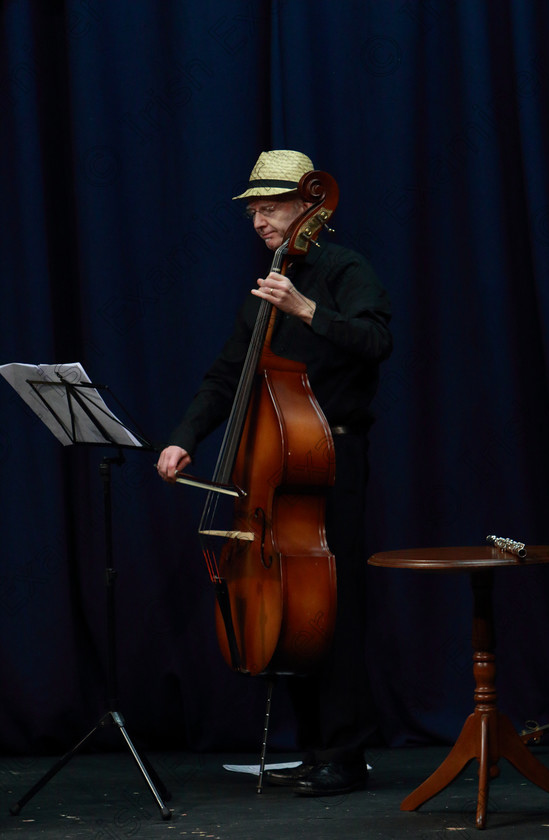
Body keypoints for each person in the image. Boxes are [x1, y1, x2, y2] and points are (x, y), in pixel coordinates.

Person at [157, 149, 392, 796]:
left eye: (270, 207)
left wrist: (308, 310)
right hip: (275, 468)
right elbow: (227, 375)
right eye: (254, 210)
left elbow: (377, 341)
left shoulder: (344, 269)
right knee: (294, 607)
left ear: (306, 206)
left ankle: (345, 754)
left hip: (332, 457)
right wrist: (184, 440)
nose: (259, 219)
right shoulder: (267, 284)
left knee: (332, 607)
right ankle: (316, 748)